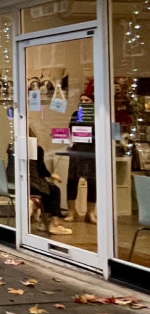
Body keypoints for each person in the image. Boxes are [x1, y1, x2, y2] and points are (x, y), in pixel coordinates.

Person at [66, 92, 97, 223]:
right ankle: (72, 211)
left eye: (87, 100)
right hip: (77, 150)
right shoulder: (76, 114)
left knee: (92, 182)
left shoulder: (98, 115)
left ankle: (91, 212)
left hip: (92, 151)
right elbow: (72, 130)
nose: (83, 103)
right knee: (72, 180)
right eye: (82, 100)